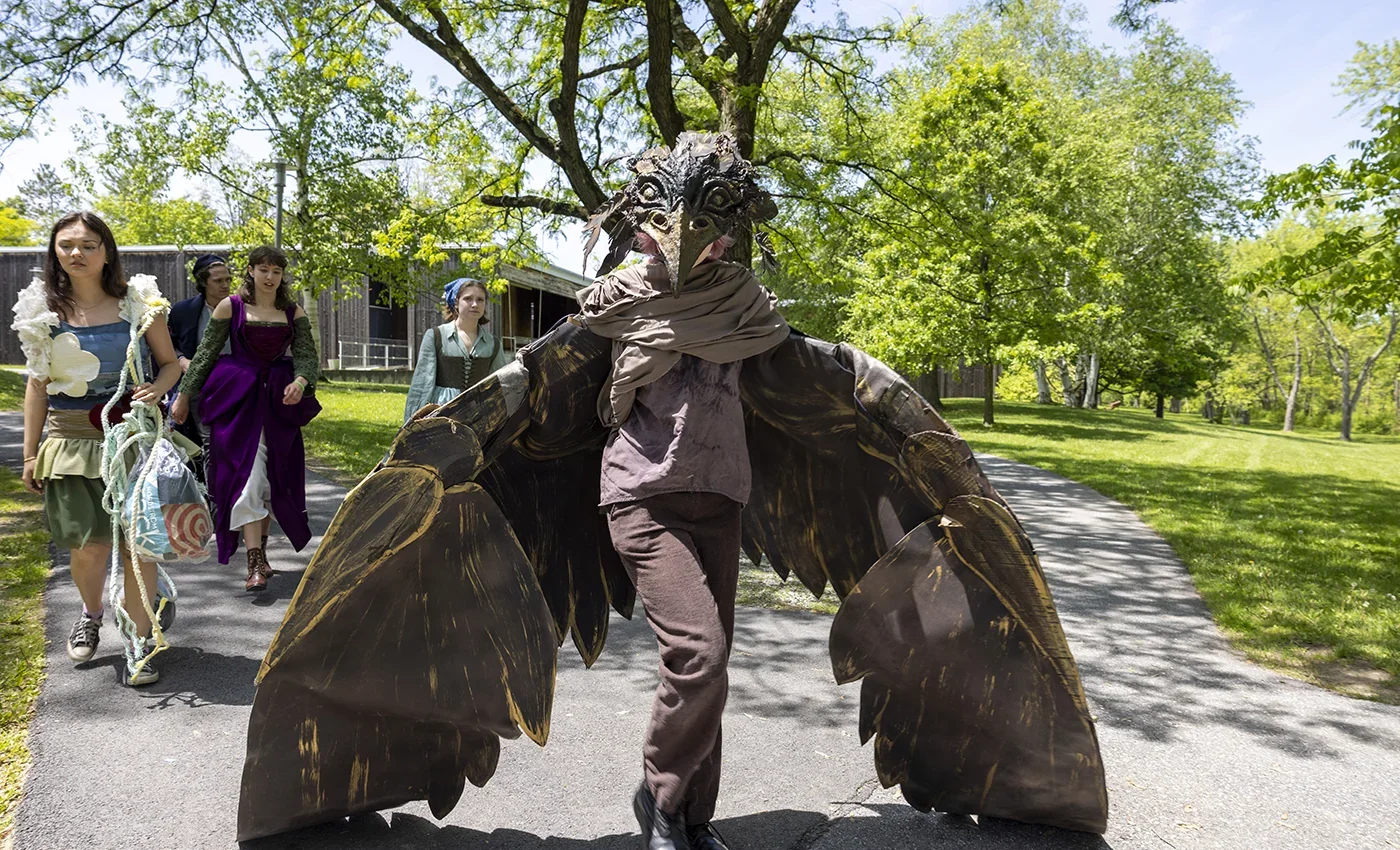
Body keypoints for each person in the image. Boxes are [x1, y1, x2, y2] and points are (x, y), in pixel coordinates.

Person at [13, 211, 185, 687]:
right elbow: (37, 388)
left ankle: (138, 642)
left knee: (138, 547)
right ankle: (91, 613)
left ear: (106, 251)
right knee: (87, 549)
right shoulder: (40, 313)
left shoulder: (138, 303)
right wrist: (30, 454)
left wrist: (158, 387)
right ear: (55, 253)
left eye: (88, 245)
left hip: (132, 441)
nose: (77, 253)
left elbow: (172, 365)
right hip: (69, 444)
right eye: (66, 245)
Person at [171, 245, 320, 591]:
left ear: (282, 276)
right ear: (251, 271)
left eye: (276, 272)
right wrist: (183, 396)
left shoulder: (292, 311)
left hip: (279, 401)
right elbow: (205, 355)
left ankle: (262, 555)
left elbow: (308, 358)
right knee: (248, 478)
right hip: (237, 398)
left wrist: (300, 381)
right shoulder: (230, 307)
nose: (270, 277)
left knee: (270, 481)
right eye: (263, 269)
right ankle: (253, 560)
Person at [402, 277, 509, 423]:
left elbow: (500, 385)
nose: (474, 304)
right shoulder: (436, 336)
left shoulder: (493, 343)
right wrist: (410, 423)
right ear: (456, 302)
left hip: (479, 415)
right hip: (443, 412)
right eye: (468, 299)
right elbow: (422, 383)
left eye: (480, 300)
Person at [166, 253, 231, 448]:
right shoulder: (183, 311)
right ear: (203, 282)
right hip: (198, 386)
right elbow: (167, 344)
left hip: (233, 383)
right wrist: (181, 360)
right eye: (218, 280)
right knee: (207, 441)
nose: (225, 285)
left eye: (228, 279)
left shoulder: (240, 309)